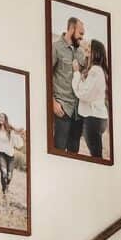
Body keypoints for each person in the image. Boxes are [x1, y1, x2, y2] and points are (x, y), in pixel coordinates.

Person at [51, 16, 86, 154]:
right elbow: (46, 78)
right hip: (62, 108)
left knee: (74, 153)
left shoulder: (81, 52)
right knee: (58, 151)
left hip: (78, 112)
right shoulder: (56, 48)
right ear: (71, 29)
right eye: (80, 33)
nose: (82, 37)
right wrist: (53, 102)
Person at [72, 39, 109, 159]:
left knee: (96, 156)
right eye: (87, 47)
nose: (86, 49)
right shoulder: (97, 70)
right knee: (96, 153)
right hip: (98, 118)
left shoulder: (95, 71)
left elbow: (83, 94)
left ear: (96, 52)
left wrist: (76, 73)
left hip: (93, 119)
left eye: (90, 48)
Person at [0, 113, 23, 198]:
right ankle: (4, 192)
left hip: (10, 156)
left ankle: (6, 187)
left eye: (2, 117)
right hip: (0, 154)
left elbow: (18, 144)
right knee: (4, 173)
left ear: (5, 119)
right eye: (0, 117)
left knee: (9, 176)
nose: (1, 118)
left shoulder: (10, 131)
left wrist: (18, 133)